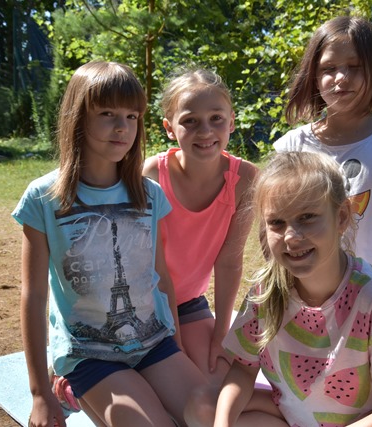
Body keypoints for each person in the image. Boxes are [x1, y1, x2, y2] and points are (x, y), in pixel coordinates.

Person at [12, 61, 207, 427]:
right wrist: (38, 393)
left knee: (212, 417)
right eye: (107, 114)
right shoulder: (43, 197)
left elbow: (161, 277)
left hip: (154, 342)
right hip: (88, 353)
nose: (122, 127)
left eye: (132, 116)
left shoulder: (150, 194)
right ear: (77, 118)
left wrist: (177, 346)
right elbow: (33, 295)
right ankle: (67, 387)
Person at [185, 151, 372, 427]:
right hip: (296, 414)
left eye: (307, 217)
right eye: (277, 222)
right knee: (202, 406)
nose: (291, 236)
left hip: (366, 421)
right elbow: (243, 369)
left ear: (341, 217)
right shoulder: (266, 290)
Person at [272, 16, 372, 362]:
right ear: (313, 76)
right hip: (304, 300)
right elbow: (273, 229)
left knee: (370, 385)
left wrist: (370, 292)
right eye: (329, 68)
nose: (341, 77)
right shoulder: (290, 147)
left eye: (355, 67)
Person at [143, 68, 258, 386]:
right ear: (170, 128)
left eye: (216, 118)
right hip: (146, 304)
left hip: (190, 304)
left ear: (231, 121)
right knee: (175, 390)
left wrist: (222, 334)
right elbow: (154, 267)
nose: (205, 131)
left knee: (219, 381)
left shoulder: (246, 179)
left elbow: (229, 261)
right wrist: (174, 342)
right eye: (190, 121)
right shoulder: (152, 176)